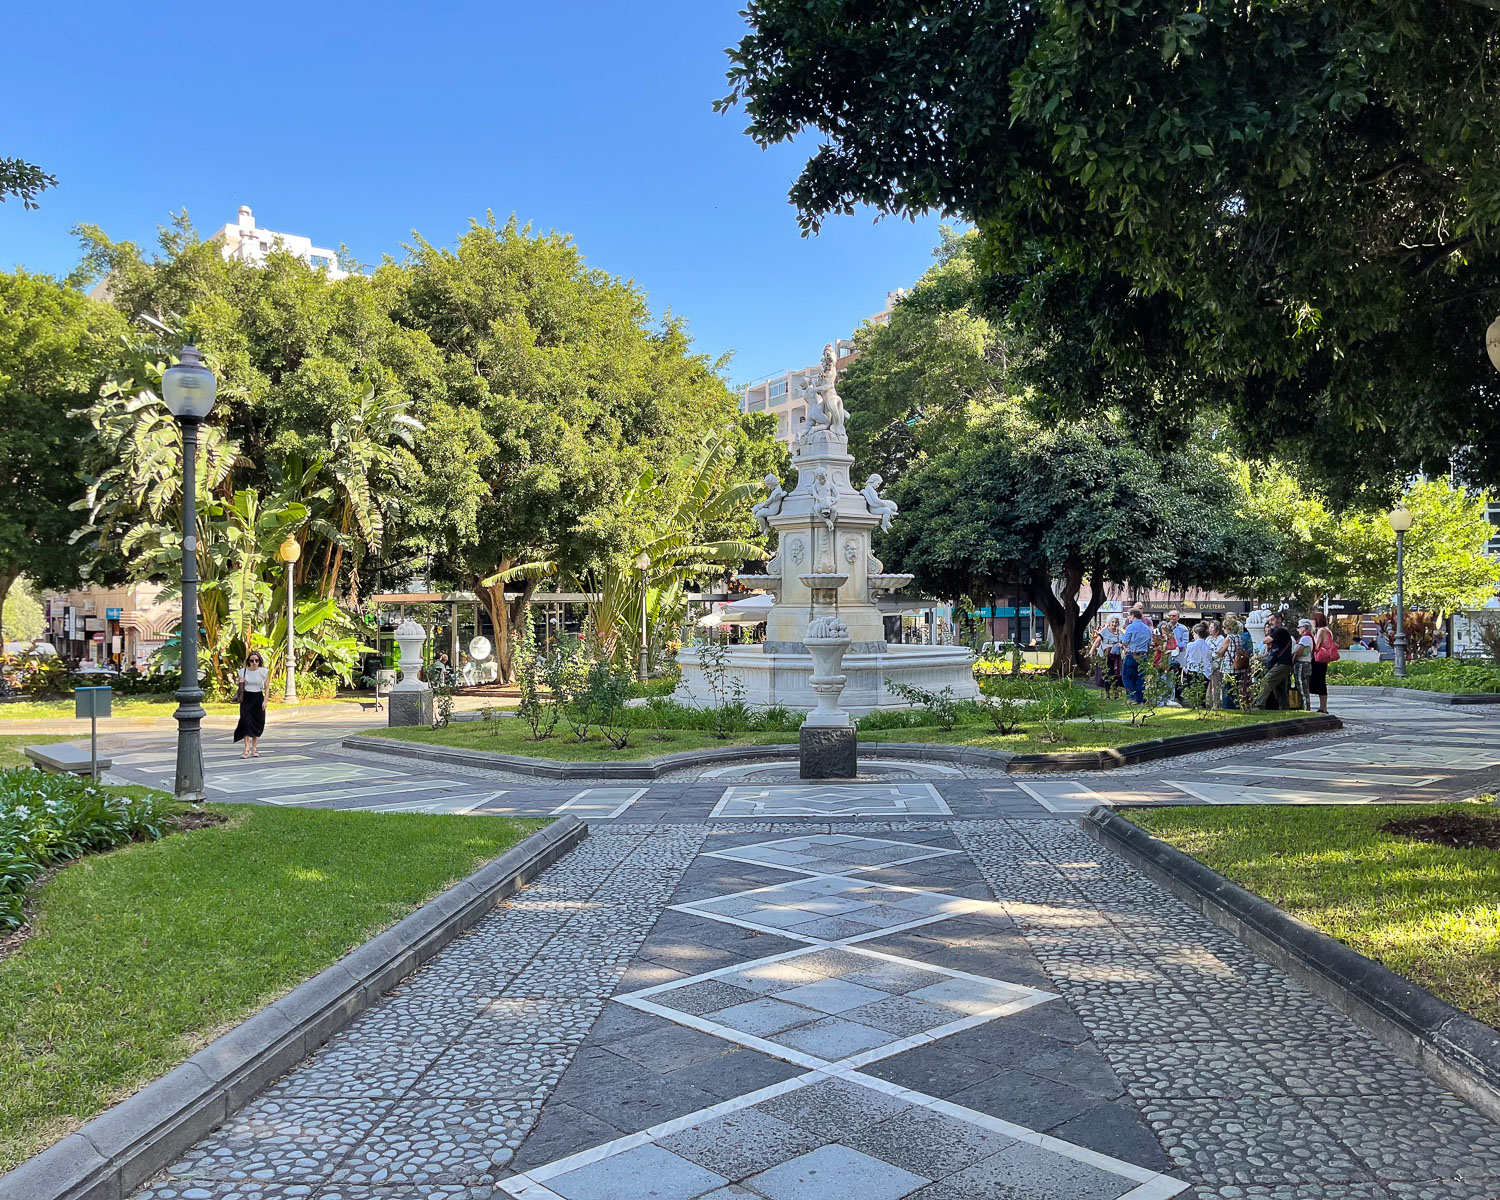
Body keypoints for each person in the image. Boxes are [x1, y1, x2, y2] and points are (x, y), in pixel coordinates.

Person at [1253, 614, 1295, 709]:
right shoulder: (1279, 632)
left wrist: (1269, 635)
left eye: (1272, 620)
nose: (1270, 622)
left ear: (1279, 620)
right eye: (1269, 620)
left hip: (1282, 663)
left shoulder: (1281, 631)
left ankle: (1258, 705)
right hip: (1282, 663)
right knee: (1280, 687)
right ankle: (1284, 707)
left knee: (1266, 682)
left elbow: (1265, 640)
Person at [233, 651, 269, 758]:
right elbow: (237, 684)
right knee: (246, 723)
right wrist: (240, 681)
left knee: (257, 723)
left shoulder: (264, 672)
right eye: (252, 660)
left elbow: (267, 687)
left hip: (258, 697)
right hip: (247, 698)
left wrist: (265, 701)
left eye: (256, 660)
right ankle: (246, 750)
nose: (254, 662)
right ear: (248, 661)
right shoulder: (242, 671)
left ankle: (254, 749)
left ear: (259, 661)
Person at [1121, 607, 1152, 703]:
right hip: (1143, 654)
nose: (1129, 617)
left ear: (1133, 616)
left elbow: (1125, 641)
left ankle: (1132, 697)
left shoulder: (1130, 627)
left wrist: (1124, 645)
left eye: (1129, 615)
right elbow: (1149, 643)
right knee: (1141, 677)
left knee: (1127, 676)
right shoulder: (1147, 628)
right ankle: (1139, 698)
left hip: (1132, 653)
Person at [1309, 610, 1337, 714]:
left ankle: (1323, 707)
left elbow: (1316, 645)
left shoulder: (1321, 631)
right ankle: (1323, 706)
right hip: (1323, 660)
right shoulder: (1328, 630)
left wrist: (1313, 635)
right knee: (1321, 682)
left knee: (1320, 683)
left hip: (1318, 660)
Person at [1180, 622, 1215, 704]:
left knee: (1193, 693)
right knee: (1202, 694)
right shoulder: (1208, 646)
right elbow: (1209, 659)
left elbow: (1186, 657)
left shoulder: (1190, 645)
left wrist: (1185, 667)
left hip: (1192, 670)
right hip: (1204, 671)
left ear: (1197, 633)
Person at [1091, 615, 1124, 695]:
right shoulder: (1104, 631)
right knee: (1106, 675)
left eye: (1116, 622)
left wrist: (1120, 646)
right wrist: (1091, 651)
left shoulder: (1120, 633)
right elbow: (1097, 642)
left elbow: (1124, 644)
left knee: (1116, 675)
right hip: (1105, 657)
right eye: (1112, 622)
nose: (1114, 624)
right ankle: (1107, 694)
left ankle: (1116, 693)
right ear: (1109, 622)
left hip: (1116, 658)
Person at [1292, 619, 1316, 709]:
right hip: (1306, 664)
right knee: (1302, 687)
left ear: (1304, 627)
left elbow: (1297, 652)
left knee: (1302, 688)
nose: (1298, 629)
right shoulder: (1309, 638)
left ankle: (1305, 708)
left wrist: (1293, 661)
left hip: (1302, 664)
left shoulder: (1305, 638)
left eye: (1299, 627)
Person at [1206, 620, 1226, 709]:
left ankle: (1216, 703)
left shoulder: (1221, 639)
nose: (1210, 629)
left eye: (1212, 627)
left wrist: (1211, 656)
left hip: (1216, 664)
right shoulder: (1208, 639)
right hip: (1207, 663)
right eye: (1209, 627)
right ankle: (1208, 702)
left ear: (1217, 629)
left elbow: (1219, 652)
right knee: (1208, 684)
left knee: (1216, 684)